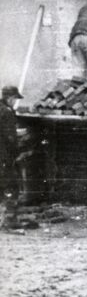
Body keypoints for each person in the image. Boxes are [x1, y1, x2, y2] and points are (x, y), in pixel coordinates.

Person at [0, 86, 22, 228]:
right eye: (15, 99)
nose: (15, 102)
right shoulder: (7, 112)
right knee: (11, 186)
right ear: (10, 98)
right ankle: (10, 220)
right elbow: (10, 138)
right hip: (4, 156)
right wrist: (17, 153)